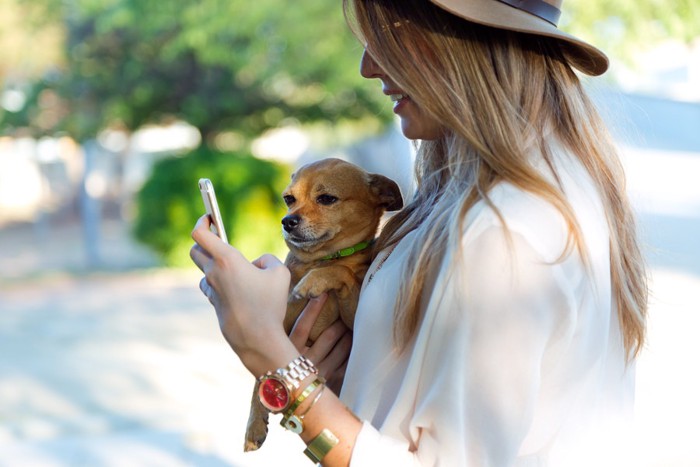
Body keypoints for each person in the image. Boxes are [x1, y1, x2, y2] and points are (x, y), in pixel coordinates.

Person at [189, 0, 648, 465]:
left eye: (388, 31)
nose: (368, 65)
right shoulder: (507, 189)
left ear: (465, 40)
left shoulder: (505, 230)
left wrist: (268, 352)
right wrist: (343, 375)